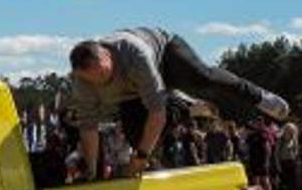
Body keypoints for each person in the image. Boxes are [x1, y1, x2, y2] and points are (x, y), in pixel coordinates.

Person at [65, 29, 288, 174]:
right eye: (93, 82)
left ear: (106, 56)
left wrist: (141, 157)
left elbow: (157, 113)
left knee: (203, 78)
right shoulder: (81, 83)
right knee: (137, 137)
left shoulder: (134, 54)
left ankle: (257, 96)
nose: (101, 84)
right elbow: (88, 128)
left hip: (166, 55)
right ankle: (160, 169)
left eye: (104, 75)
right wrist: (92, 172)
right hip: (132, 93)